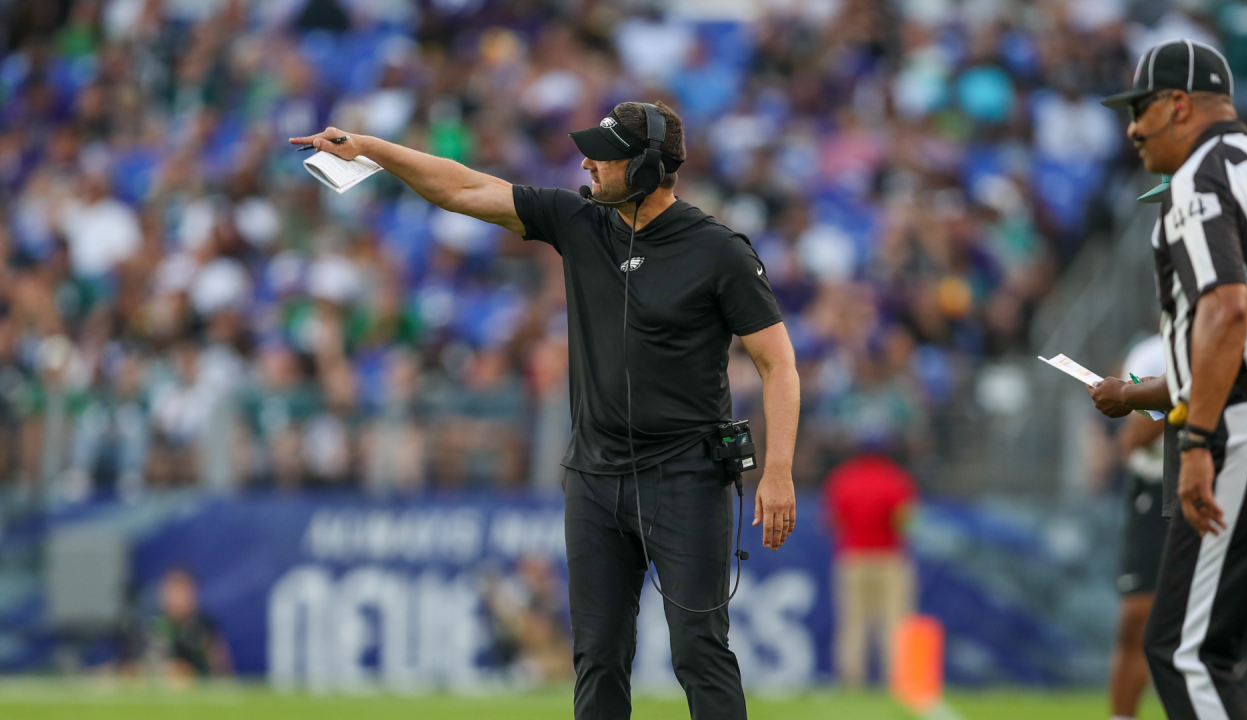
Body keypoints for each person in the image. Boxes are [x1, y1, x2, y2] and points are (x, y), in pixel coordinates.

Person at [291, 100, 800, 720]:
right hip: (592, 476)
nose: (585, 161)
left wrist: (777, 473)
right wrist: (371, 147)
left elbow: (778, 365)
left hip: (686, 480)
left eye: (602, 154)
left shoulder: (718, 251)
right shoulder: (580, 220)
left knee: (699, 651)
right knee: (597, 656)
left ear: (642, 168)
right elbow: (464, 187)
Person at [1089, 40, 1247, 719]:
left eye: (1139, 110)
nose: (1132, 129)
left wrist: (1196, 441)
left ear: (1177, 104)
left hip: (1245, 420)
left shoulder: (1199, 180)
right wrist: (1143, 395)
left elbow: (1229, 314)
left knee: (1183, 648)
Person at [1104, 335, 1168, 720]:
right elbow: (1135, 438)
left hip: (1212, 479)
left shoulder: (1229, 334)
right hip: (1156, 487)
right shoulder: (1150, 352)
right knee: (1136, 617)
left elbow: (1139, 434)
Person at [821, 451, 917, 689]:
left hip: (853, 559)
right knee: (894, 623)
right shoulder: (895, 478)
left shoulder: (843, 478)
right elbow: (905, 521)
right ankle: (897, 682)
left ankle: (852, 682)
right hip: (889, 558)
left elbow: (831, 522)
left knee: (853, 624)